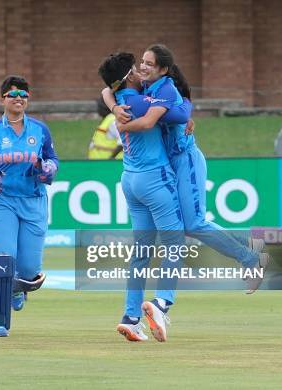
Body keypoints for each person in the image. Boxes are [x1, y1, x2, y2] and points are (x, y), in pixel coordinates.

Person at [103, 44, 268, 296]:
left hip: (185, 159)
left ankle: (250, 259)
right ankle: (248, 246)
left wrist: (125, 126)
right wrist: (114, 107)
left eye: (149, 63)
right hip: (171, 162)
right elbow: (107, 89)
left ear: (164, 70)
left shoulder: (165, 89)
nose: (143, 67)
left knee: (194, 223)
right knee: (191, 225)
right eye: (142, 63)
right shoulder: (145, 88)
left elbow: (178, 114)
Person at [98, 53, 195, 342]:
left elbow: (105, 90)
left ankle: (130, 318)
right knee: (175, 242)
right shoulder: (141, 102)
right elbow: (181, 113)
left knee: (141, 252)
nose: (143, 69)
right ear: (129, 75)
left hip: (130, 179)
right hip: (154, 178)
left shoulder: (122, 98)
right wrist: (188, 110)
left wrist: (113, 105)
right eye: (137, 67)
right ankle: (162, 302)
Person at [0, 76, 58, 336]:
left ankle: (18, 288)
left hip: (33, 201)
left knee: (28, 269)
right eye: (13, 94)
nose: (19, 99)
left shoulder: (40, 130)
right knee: (4, 260)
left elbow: (52, 158)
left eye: (24, 95)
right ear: (2, 99)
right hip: (0, 201)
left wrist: (47, 168)